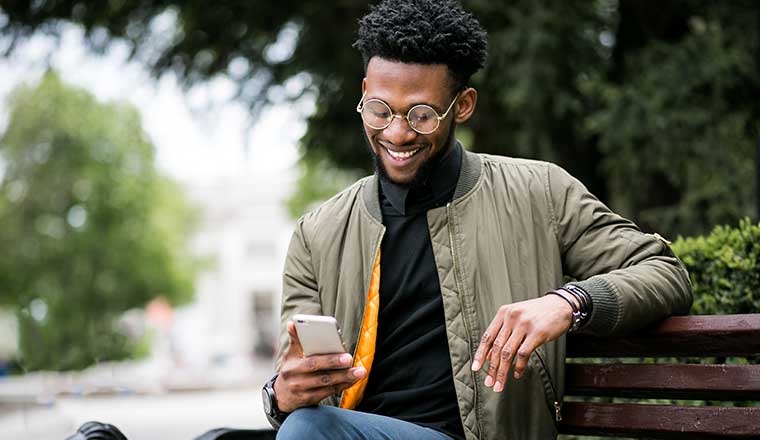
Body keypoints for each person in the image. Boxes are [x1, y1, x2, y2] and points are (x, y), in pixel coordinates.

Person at [261, 1, 693, 439]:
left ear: (463, 105)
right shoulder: (317, 234)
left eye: (421, 115)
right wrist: (282, 395)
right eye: (379, 110)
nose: (396, 133)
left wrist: (569, 302)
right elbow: (292, 386)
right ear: (364, 92)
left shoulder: (540, 192)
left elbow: (666, 273)